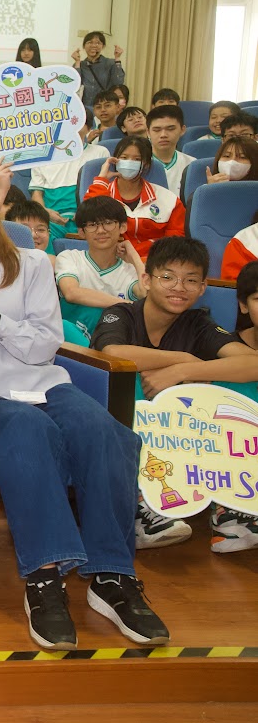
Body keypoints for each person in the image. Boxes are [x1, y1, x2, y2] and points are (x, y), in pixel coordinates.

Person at [0, 163, 169, 650]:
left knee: (107, 432)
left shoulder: (32, 264)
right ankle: (44, 580)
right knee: (29, 430)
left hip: (44, 385)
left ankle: (111, 577)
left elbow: (43, 346)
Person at [92, 236, 258, 554]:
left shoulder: (197, 323)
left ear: (202, 287)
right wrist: (183, 361)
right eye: (167, 276)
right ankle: (141, 507)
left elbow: (252, 362)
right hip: (122, 425)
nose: (178, 287)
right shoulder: (121, 314)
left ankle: (232, 508)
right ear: (146, 279)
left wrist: (188, 373)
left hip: (183, 434)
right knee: (129, 376)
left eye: (190, 280)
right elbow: (112, 351)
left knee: (237, 386)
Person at [54, 196, 142, 341]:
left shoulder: (129, 270)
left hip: (114, 340)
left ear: (122, 227)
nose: (101, 230)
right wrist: (130, 306)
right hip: (70, 341)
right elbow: (72, 293)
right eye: (92, 225)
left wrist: (134, 257)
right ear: (81, 231)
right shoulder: (70, 257)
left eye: (108, 223)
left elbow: (147, 295)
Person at [84, 137, 185, 259]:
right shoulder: (100, 193)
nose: (129, 162)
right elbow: (89, 221)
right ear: (115, 160)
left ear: (146, 164)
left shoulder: (168, 199)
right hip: (112, 262)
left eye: (137, 159)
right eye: (124, 158)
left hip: (154, 263)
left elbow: (175, 242)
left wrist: (137, 255)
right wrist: (101, 179)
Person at [28, 133, 111, 243]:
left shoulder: (100, 152)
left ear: (88, 126)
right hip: (52, 221)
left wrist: (86, 213)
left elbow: (104, 188)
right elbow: (36, 194)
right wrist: (45, 213)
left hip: (89, 217)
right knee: (37, 233)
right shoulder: (42, 156)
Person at [146, 104, 192, 194]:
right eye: (157, 130)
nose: (163, 135)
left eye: (170, 129)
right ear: (148, 132)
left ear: (182, 130)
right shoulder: (139, 164)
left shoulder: (191, 164)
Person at [73, 31, 126, 110]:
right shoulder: (80, 65)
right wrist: (77, 62)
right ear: (84, 46)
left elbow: (118, 82)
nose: (94, 45)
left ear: (103, 46)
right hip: (84, 107)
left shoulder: (110, 63)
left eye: (98, 43)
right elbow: (75, 85)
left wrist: (117, 59)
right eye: (90, 42)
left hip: (104, 107)